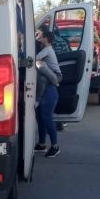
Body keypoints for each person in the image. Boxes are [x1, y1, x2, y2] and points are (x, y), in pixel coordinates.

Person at [33, 30, 61, 158]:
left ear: (45, 38)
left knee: (47, 117)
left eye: (40, 36)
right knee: (40, 117)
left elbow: (34, 59)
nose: (38, 38)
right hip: (46, 88)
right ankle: (42, 144)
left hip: (50, 89)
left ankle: (55, 146)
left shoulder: (47, 50)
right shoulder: (47, 51)